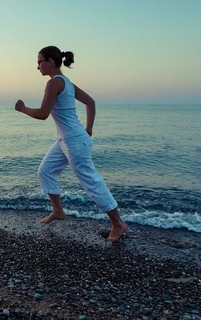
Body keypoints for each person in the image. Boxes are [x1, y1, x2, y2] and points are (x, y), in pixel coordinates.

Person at [15, 46, 128, 241]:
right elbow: (91, 102)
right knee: (46, 171)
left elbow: (42, 114)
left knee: (90, 180)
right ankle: (58, 211)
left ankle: (118, 223)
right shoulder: (66, 82)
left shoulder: (54, 83)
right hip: (66, 140)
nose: (37, 67)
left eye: (39, 62)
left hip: (74, 141)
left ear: (50, 62)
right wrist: (89, 129)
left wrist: (23, 108)